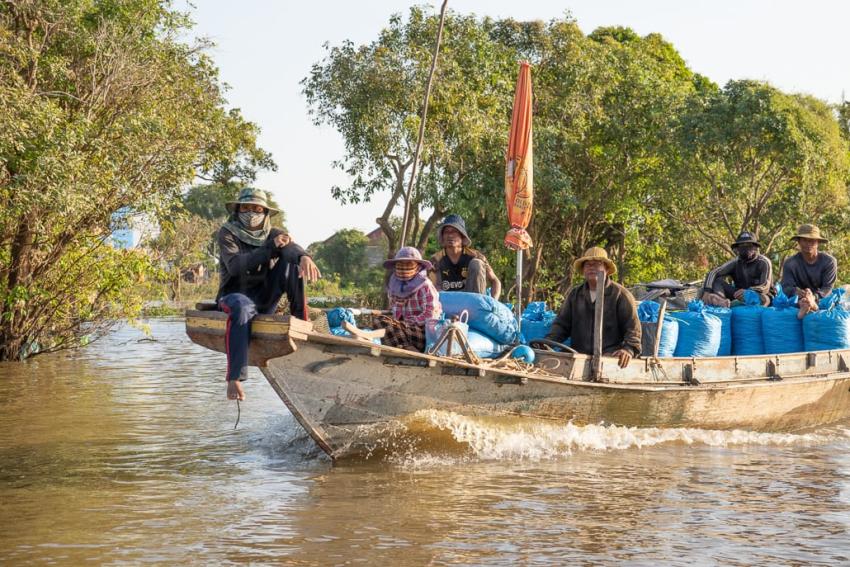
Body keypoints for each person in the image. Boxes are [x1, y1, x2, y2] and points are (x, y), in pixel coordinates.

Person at [216, 188, 321, 401]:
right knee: (243, 307)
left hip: (263, 298)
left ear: (265, 213)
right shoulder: (227, 233)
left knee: (291, 264)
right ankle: (235, 377)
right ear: (237, 210)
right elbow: (236, 266)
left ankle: (302, 324)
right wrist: (270, 249)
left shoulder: (272, 233)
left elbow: (289, 247)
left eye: (257, 209)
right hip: (234, 297)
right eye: (246, 208)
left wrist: (303, 256)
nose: (251, 213)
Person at [545, 247, 641, 368]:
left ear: (606, 268)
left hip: (610, 359)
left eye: (597, 264)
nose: (591, 267)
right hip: (579, 358)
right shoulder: (575, 295)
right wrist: (548, 343)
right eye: (587, 264)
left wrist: (628, 349)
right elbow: (561, 325)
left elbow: (632, 328)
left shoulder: (620, 295)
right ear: (583, 270)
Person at [373, 247, 442, 352]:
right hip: (400, 330)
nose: (403, 268)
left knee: (387, 326)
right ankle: (405, 347)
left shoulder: (425, 285)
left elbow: (431, 314)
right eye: (400, 265)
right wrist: (396, 321)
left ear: (418, 267)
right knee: (378, 321)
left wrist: (409, 322)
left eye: (408, 264)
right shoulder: (394, 285)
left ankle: (409, 349)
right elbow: (393, 309)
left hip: (422, 332)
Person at [429, 214, 502, 299]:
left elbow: (495, 281)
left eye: (454, 231)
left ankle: (479, 307)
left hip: (472, 302)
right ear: (443, 236)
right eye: (446, 232)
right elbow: (431, 288)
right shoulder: (435, 260)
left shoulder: (475, 256)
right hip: (447, 304)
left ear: (462, 236)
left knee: (477, 263)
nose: (450, 235)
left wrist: (493, 302)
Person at [701, 231, 774, 307]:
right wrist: (707, 291)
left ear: (755, 247)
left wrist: (748, 291)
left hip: (759, 295)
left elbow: (765, 286)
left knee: (763, 299)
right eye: (742, 245)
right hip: (738, 295)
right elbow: (714, 272)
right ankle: (722, 303)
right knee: (717, 281)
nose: (745, 248)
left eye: (748, 245)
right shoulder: (736, 262)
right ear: (738, 248)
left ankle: (739, 304)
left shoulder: (764, 262)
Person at [780, 224, 837, 318]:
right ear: (798, 241)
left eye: (812, 241)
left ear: (818, 242)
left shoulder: (829, 262)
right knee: (783, 301)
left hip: (821, 299)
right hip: (798, 299)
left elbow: (827, 288)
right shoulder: (790, 263)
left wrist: (813, 297)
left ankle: (812, 305)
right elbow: (786, 287)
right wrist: (798, 292)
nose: (808, 244)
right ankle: (807, 306)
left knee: (831, 300)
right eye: (804, 240)